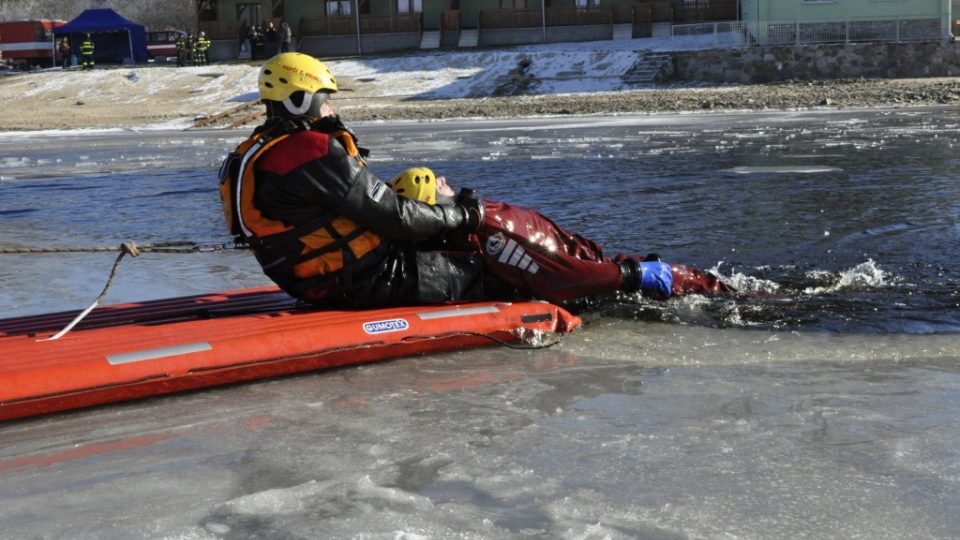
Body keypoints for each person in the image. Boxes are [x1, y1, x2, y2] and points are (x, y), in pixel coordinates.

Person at [218, 53, 730, 309]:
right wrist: (464, 214)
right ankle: (630, 278)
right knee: (491, 259)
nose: (331, 108)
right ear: (301, 100)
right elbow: (391, 216)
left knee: (464, 232)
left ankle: (611, 269)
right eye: (325, 98)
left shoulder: (252, 154)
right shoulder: (308, 151)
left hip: (317, 279)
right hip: (361, 280)